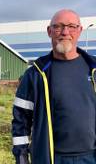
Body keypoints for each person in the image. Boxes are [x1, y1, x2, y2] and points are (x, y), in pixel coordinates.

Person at [11, 9, 96, 164]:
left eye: (71, 26)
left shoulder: (94, 69)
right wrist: (21, 158)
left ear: (80, 30)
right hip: (50, 158)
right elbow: (20, 120)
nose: (65, 32)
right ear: (49, 31)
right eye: (58, 27)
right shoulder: (35, 74)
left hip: (91, 157)